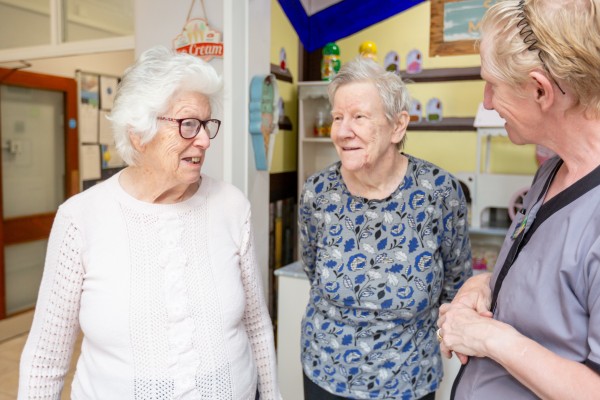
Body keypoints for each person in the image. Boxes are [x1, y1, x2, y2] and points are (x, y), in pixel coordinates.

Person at [18, 46, 281, 400]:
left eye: (206, 124)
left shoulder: (232, 205)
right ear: (138, 133)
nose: (203, 140)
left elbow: (256, 325)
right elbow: (45, 359)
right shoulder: (80, 219)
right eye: (188, 124)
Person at [436, 0, 600, 399]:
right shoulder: (551, 171)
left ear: (540, 89)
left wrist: (489, 338)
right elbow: (548, 290)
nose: (487, 102)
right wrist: (485, 286)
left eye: (492, 84)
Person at [298, 57, 472, 400]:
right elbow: (311, 265)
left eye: (359, 117)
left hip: (409, 378)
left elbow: (457, 282)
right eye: (337, 117)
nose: (343, 130)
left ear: (398, 126)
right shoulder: (318, 192)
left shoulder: (438, 192)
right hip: (327, 372)